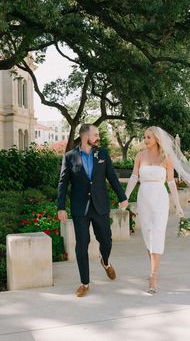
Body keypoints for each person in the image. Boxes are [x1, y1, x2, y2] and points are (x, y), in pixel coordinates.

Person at [125, 126, 190, 294]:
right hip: (143, 198)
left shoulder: (166, 157)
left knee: (157, 234)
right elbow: (134, 177)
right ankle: (153, 268)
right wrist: (125, 197)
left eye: (148, 137)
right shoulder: (140, 156)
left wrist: (177, 205)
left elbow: (171, 183)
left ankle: (153, 277)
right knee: (148, 236)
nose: (145, 140)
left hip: (160, 199)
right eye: (144, 137)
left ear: (156, 139)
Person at [57, 124, 128, 297]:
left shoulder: (102, 154)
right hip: (80, 208)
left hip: (100, 205)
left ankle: (105, 261)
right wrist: (61, 207)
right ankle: (85, 283)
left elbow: (111, 176)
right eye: (95, 134)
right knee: (82, 245)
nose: (98, 137)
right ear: (84, 136)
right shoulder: (70, 156)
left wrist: (122, 197)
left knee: (106, 241)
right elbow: (63, 182)